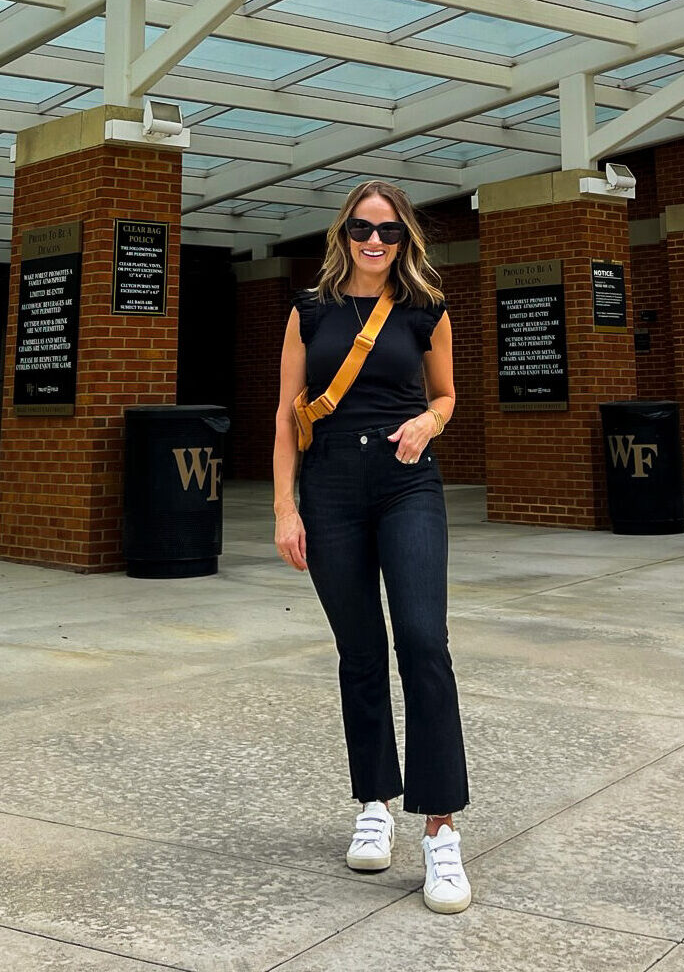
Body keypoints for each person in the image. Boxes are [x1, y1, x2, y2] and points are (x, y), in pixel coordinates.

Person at [272, 180, 471, 914]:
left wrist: (429, 423)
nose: (374, 242)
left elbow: (447, 395)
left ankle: (441, 831)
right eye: (361, 229)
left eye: (387, 230)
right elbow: (288, 416)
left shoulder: (426, 309)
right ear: (343, 234)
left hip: (405, 484)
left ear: (405, 237)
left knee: (423, 641)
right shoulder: (309, 311)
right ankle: (375, 804)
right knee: (360, 651)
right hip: (328, 492)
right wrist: (284, 505)